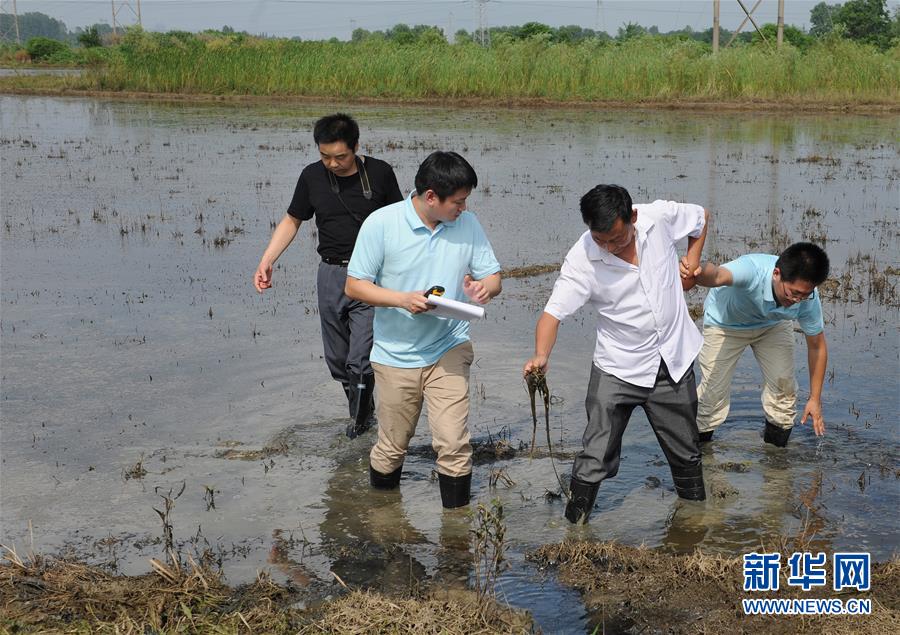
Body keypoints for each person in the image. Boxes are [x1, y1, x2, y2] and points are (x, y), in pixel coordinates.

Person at [523, 184, 710, 525]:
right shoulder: (582, 259)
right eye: (601, 240)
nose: (609, 248)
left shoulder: (657, 218)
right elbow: (553, 314)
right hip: (617, 367)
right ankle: (574, 528)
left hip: (673, 361)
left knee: (686, 451)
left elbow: (700, 218)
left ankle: (695, 524)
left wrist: (691, 263)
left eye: (617, 239)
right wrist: (541, 355)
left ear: (633, 218)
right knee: (595, 454)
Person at [344, 151, 501, 509]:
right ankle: (385, 523)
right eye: (457, 202)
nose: (463, 209)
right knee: (392, 446)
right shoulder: (381, 224)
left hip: (449, 346)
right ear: (431, 196)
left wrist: (484, 289)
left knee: (454, 443)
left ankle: (456, 541)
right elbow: (354, 286)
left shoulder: (468, 224)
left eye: (465, 201)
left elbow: (493, 277)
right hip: (395, 355)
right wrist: (401, 299)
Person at [253, 113, 403, 439]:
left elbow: (401, 224)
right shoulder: (311, 177)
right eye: (325, 157)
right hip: (331, 274)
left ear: (356, 147)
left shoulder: (380, 174)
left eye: (340, 157)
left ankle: (359, 428)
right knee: (338, 360)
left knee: (360, 359)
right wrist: (267, 259)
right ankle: (365, 412)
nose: (332, 164)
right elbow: (293, 220)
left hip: (371, 276)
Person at [680, 242, 829, 447]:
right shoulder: (752, 270)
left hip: (772, 325)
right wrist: (696, 271)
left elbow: (817, 346)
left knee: (784, 395)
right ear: (776, 274)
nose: (797, 300)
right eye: (793, 293)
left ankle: (776, 466)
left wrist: (814, 399)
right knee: (711, 398)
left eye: (804, 295)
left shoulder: (807, 298)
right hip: (726, 324)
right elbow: (716, 274)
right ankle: (699, 462)